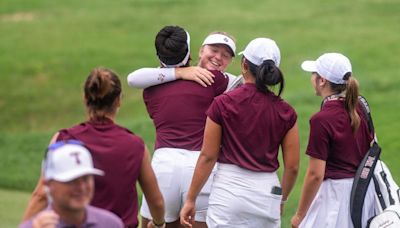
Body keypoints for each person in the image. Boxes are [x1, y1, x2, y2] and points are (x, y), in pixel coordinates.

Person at [22, 67, 165, 228]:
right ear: (118, 100)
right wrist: (158, 223)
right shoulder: (135, 145)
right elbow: (156, 201)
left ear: (85, 98)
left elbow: (41, 194)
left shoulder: (63, 138)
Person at [180, 37, 300, 228]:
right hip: (267, 192)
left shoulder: (222, 103)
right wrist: (281, 200)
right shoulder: (286, 112)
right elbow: (292, 167)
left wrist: (190, 199)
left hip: (229, 193)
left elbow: (208, 156)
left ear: (244, 65)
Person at [129, 25, 231, 228]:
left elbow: (133, 78)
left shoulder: (149, 88)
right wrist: (184, 72)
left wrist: (178, 73)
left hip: (163, 166)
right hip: (200, 169)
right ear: (190, 50)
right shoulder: (214, 81)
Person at [290, 53, 376, 228]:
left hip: (336, 199)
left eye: (314, 74)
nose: (311, 78)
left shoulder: (321, 119)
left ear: (322, 81)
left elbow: (315, 175)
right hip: (365, 192)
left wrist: (300, 215)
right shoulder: (360, 107)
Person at [19, 140, 124, 228]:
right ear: (48, 184)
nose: (81, 187)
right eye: (71, 180)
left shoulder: (112, 224)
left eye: (86, 178)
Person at [127, 30, 240, 91]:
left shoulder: (231, 82)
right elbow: (133, 79)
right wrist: (180, 72)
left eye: (226, 55)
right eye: (214, 50)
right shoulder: (177, 74)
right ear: (201, 51)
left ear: (230, 61)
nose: (218, 57)